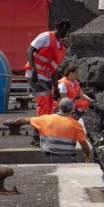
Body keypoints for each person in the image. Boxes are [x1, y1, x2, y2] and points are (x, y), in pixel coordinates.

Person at [25, 18, 70, 146]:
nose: (64, 35)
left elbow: (54, 69)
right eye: (64, 31)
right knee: (44, 104)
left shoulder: (59, 45)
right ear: (60, 28)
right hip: (35, 76)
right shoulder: (45, 36)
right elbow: (29, 51)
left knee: (51, 106)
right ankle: (37, 137)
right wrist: (34, 71)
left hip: (45, 77)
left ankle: (40, 136)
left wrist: (56, 88)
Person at [15, 98, 91, 164]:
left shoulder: (45, 119)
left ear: (59, 107)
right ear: (72, 110)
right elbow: (84, 146)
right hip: (69, 158)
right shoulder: (76, 125)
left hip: (50, 158)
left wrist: (20, 120)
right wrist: (87, 154)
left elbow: (27, 120)